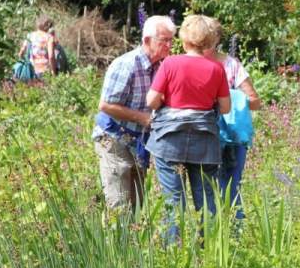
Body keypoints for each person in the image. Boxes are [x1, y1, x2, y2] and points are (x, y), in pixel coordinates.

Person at [146, 15, 230, 242]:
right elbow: (225, 107)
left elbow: (151, 101)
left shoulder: (170, 63)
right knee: (206, 201)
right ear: (207, 40)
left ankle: (174, 256)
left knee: (173, 201)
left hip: (169, 140)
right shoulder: (216, 69)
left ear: (184, 39)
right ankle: (210, 252)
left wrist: (166, 99)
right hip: (204, 143)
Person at [93, 15, 176, 211]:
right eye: (165, 40)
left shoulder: (162, 66)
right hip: (114, 138)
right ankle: (116, 242)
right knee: (119, 205)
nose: (170, 45)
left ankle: (135, 241)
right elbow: (105, 105)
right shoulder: (127, 64)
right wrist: (142, 118)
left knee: (138, 205)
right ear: (147, 40)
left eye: (172, 40)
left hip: (139, 141)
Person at [203, 20, 261, 223]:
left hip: (228, 137)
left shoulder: (231, 65)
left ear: (217, 39)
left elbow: (254, 101)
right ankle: (218, 235)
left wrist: (228, 100)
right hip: (206, 135)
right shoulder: (226, 64)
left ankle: (233, 236)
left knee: (229, 186)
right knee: (211, 187)